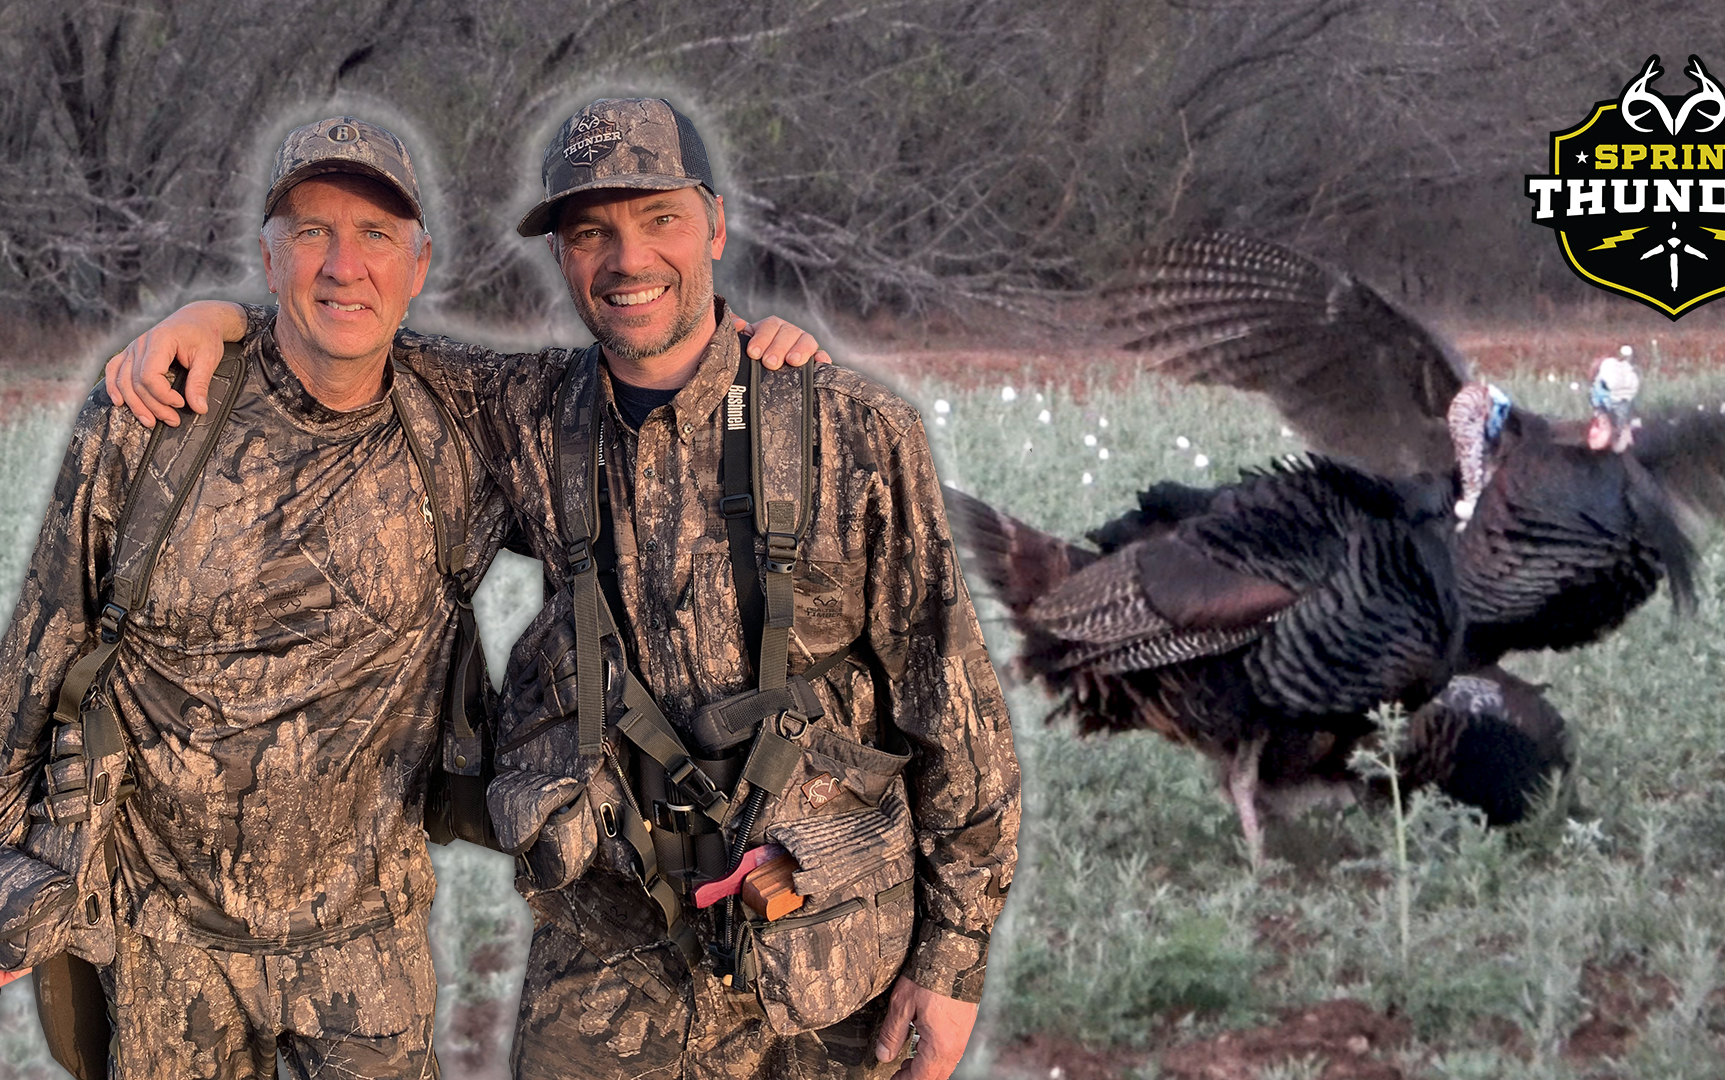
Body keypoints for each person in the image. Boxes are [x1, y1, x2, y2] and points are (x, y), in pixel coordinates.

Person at [110, 98, 1021, 1080]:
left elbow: (955, 714)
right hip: (605, 947)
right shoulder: (529, 414)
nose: (629, 260)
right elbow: (354, 335)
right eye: (593, 232)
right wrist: (218, 322)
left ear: (714, 224)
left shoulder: (852, 432)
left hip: (815, 946)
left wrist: (954, 960)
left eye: (659, 219)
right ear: (564, 255)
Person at [7, 114, 822, 1080]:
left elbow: (644, 387)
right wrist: (18, 875)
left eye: (377, 235)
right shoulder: (160, 412)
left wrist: (754, 359)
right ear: (267, 262)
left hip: (365, 945)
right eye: (310, 232)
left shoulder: (465, 418)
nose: (344, 264)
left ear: (420, 264)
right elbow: (44, 641)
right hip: (163, 938)